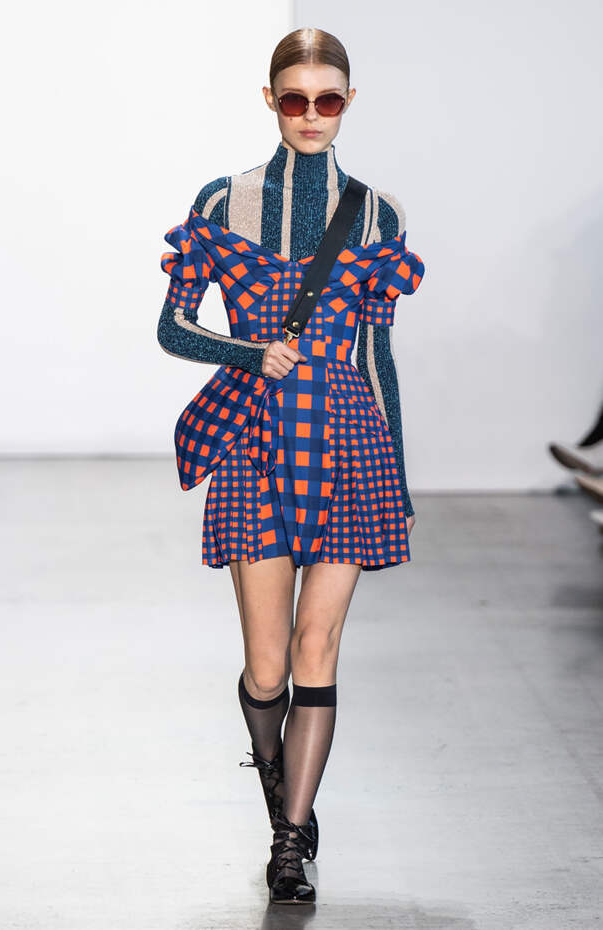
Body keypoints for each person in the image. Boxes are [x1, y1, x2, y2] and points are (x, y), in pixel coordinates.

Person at [157, 27, 425, 905]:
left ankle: (290, 836)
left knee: (319, 647)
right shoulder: (221, 200)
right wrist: (248, 352)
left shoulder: (378, 214)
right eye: (297, 99)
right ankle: (280, 787)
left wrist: (398, 474)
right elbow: (171, 327)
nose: (313, 115)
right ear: (271, 101)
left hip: (350, 444)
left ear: (348, 103)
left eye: (329, 99)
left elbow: (378, 355)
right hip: (255, 441)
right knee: (267, 666)